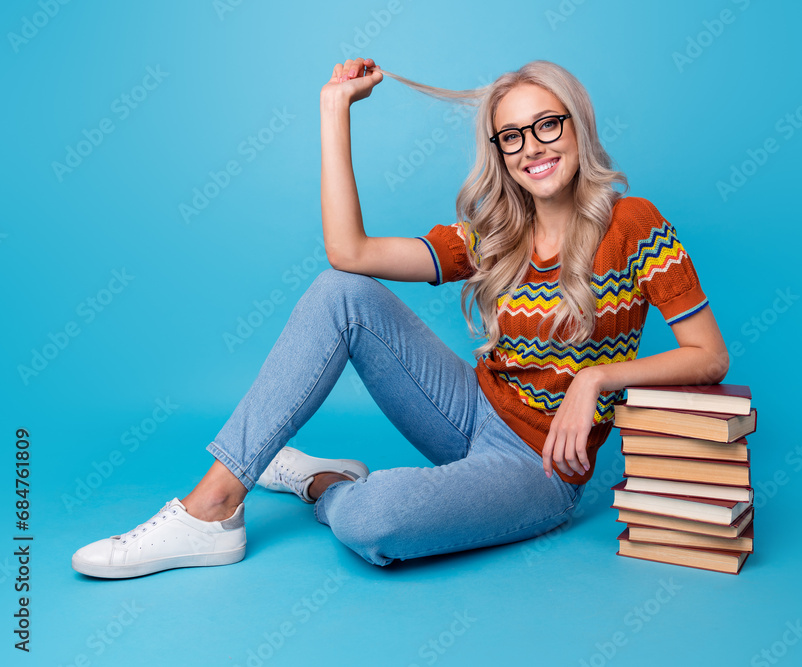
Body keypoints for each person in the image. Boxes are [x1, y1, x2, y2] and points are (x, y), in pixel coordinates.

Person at [71, 57, 729, 577]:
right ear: (499, 151)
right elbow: (349, 253)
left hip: (541, 467)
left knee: (372, 522)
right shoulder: (497, 233)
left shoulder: (634, 223)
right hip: (472, 408)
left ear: (578, 125)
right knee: (340, 291)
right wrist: (334, 111)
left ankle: (323, 482)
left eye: (548, 124)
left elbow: (708, 355)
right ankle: (210, 508)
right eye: (511, 135)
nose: (532, 146)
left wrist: (595, 381)